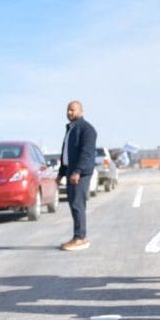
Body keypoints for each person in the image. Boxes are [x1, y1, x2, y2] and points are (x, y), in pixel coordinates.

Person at [59, 100, 97, 251]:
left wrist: (77, 172)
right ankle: (79, 236)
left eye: (72, 110)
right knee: (74, 205)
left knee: (77, 204)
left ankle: (80, 238)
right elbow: (66, 153)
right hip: (71, 171)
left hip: (79, 173)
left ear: (81, 111)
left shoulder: (87, 129)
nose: (69, 112)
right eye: (68, 110)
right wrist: (61, 173)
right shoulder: (71, 129)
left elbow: (86, 153)